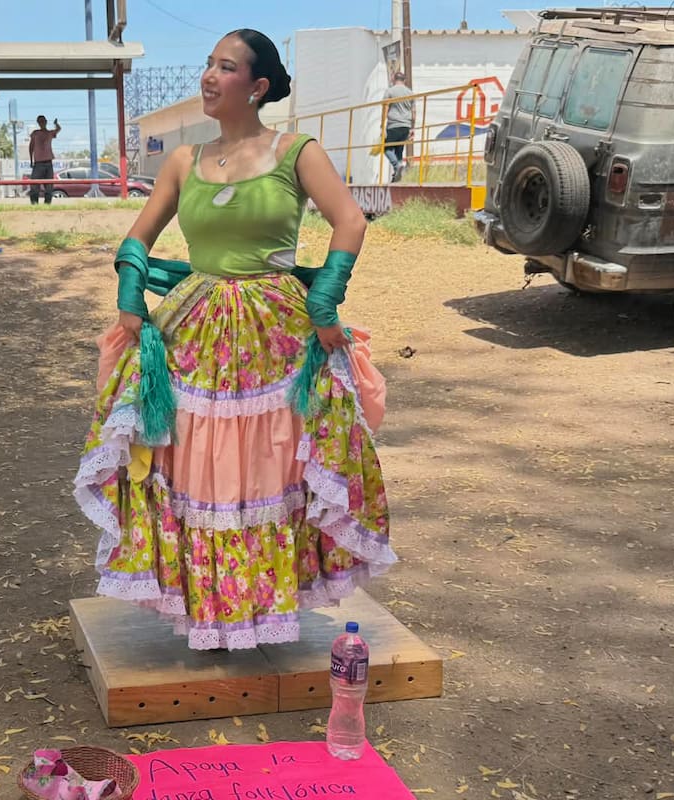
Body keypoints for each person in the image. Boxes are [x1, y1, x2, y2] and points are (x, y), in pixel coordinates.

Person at [73, 29, 396, 651]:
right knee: (197, 464)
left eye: (226, 67)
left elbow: (350, 219)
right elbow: (137, 239)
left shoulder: (296, 151)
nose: (209, 77)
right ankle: (208, 610)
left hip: (275, 331)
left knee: (269, 460)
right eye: (208, 65)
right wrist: (129, 294)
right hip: (196, 329)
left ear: (258, 86)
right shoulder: (182, 161)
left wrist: (326, 298)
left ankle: (263, 604)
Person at [383, 72, 415, 183]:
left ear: (393, 79)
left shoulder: (390, 91)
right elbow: (413, 111)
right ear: (404, 80)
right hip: (406, 125)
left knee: (386, 148)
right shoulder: (410, 93)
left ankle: (397, 166)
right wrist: (412, 128)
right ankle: (398, 173)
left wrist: (382, 125)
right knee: (399, 149)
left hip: (393, 125)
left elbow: (385, 108)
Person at [28, 115, 61, 204]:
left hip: (48, 162)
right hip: (38, 163)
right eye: (40, 121)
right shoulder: (35, 133)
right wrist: (31, 160)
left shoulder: (50, 133)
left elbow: (58, 129)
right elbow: (31, 147)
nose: (42, 123)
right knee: (34, 185)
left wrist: (56, 124)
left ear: (46, 122)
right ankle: (34, 204)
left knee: (49, 186)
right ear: (38, 123)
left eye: (43, 121)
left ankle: (47, 204)